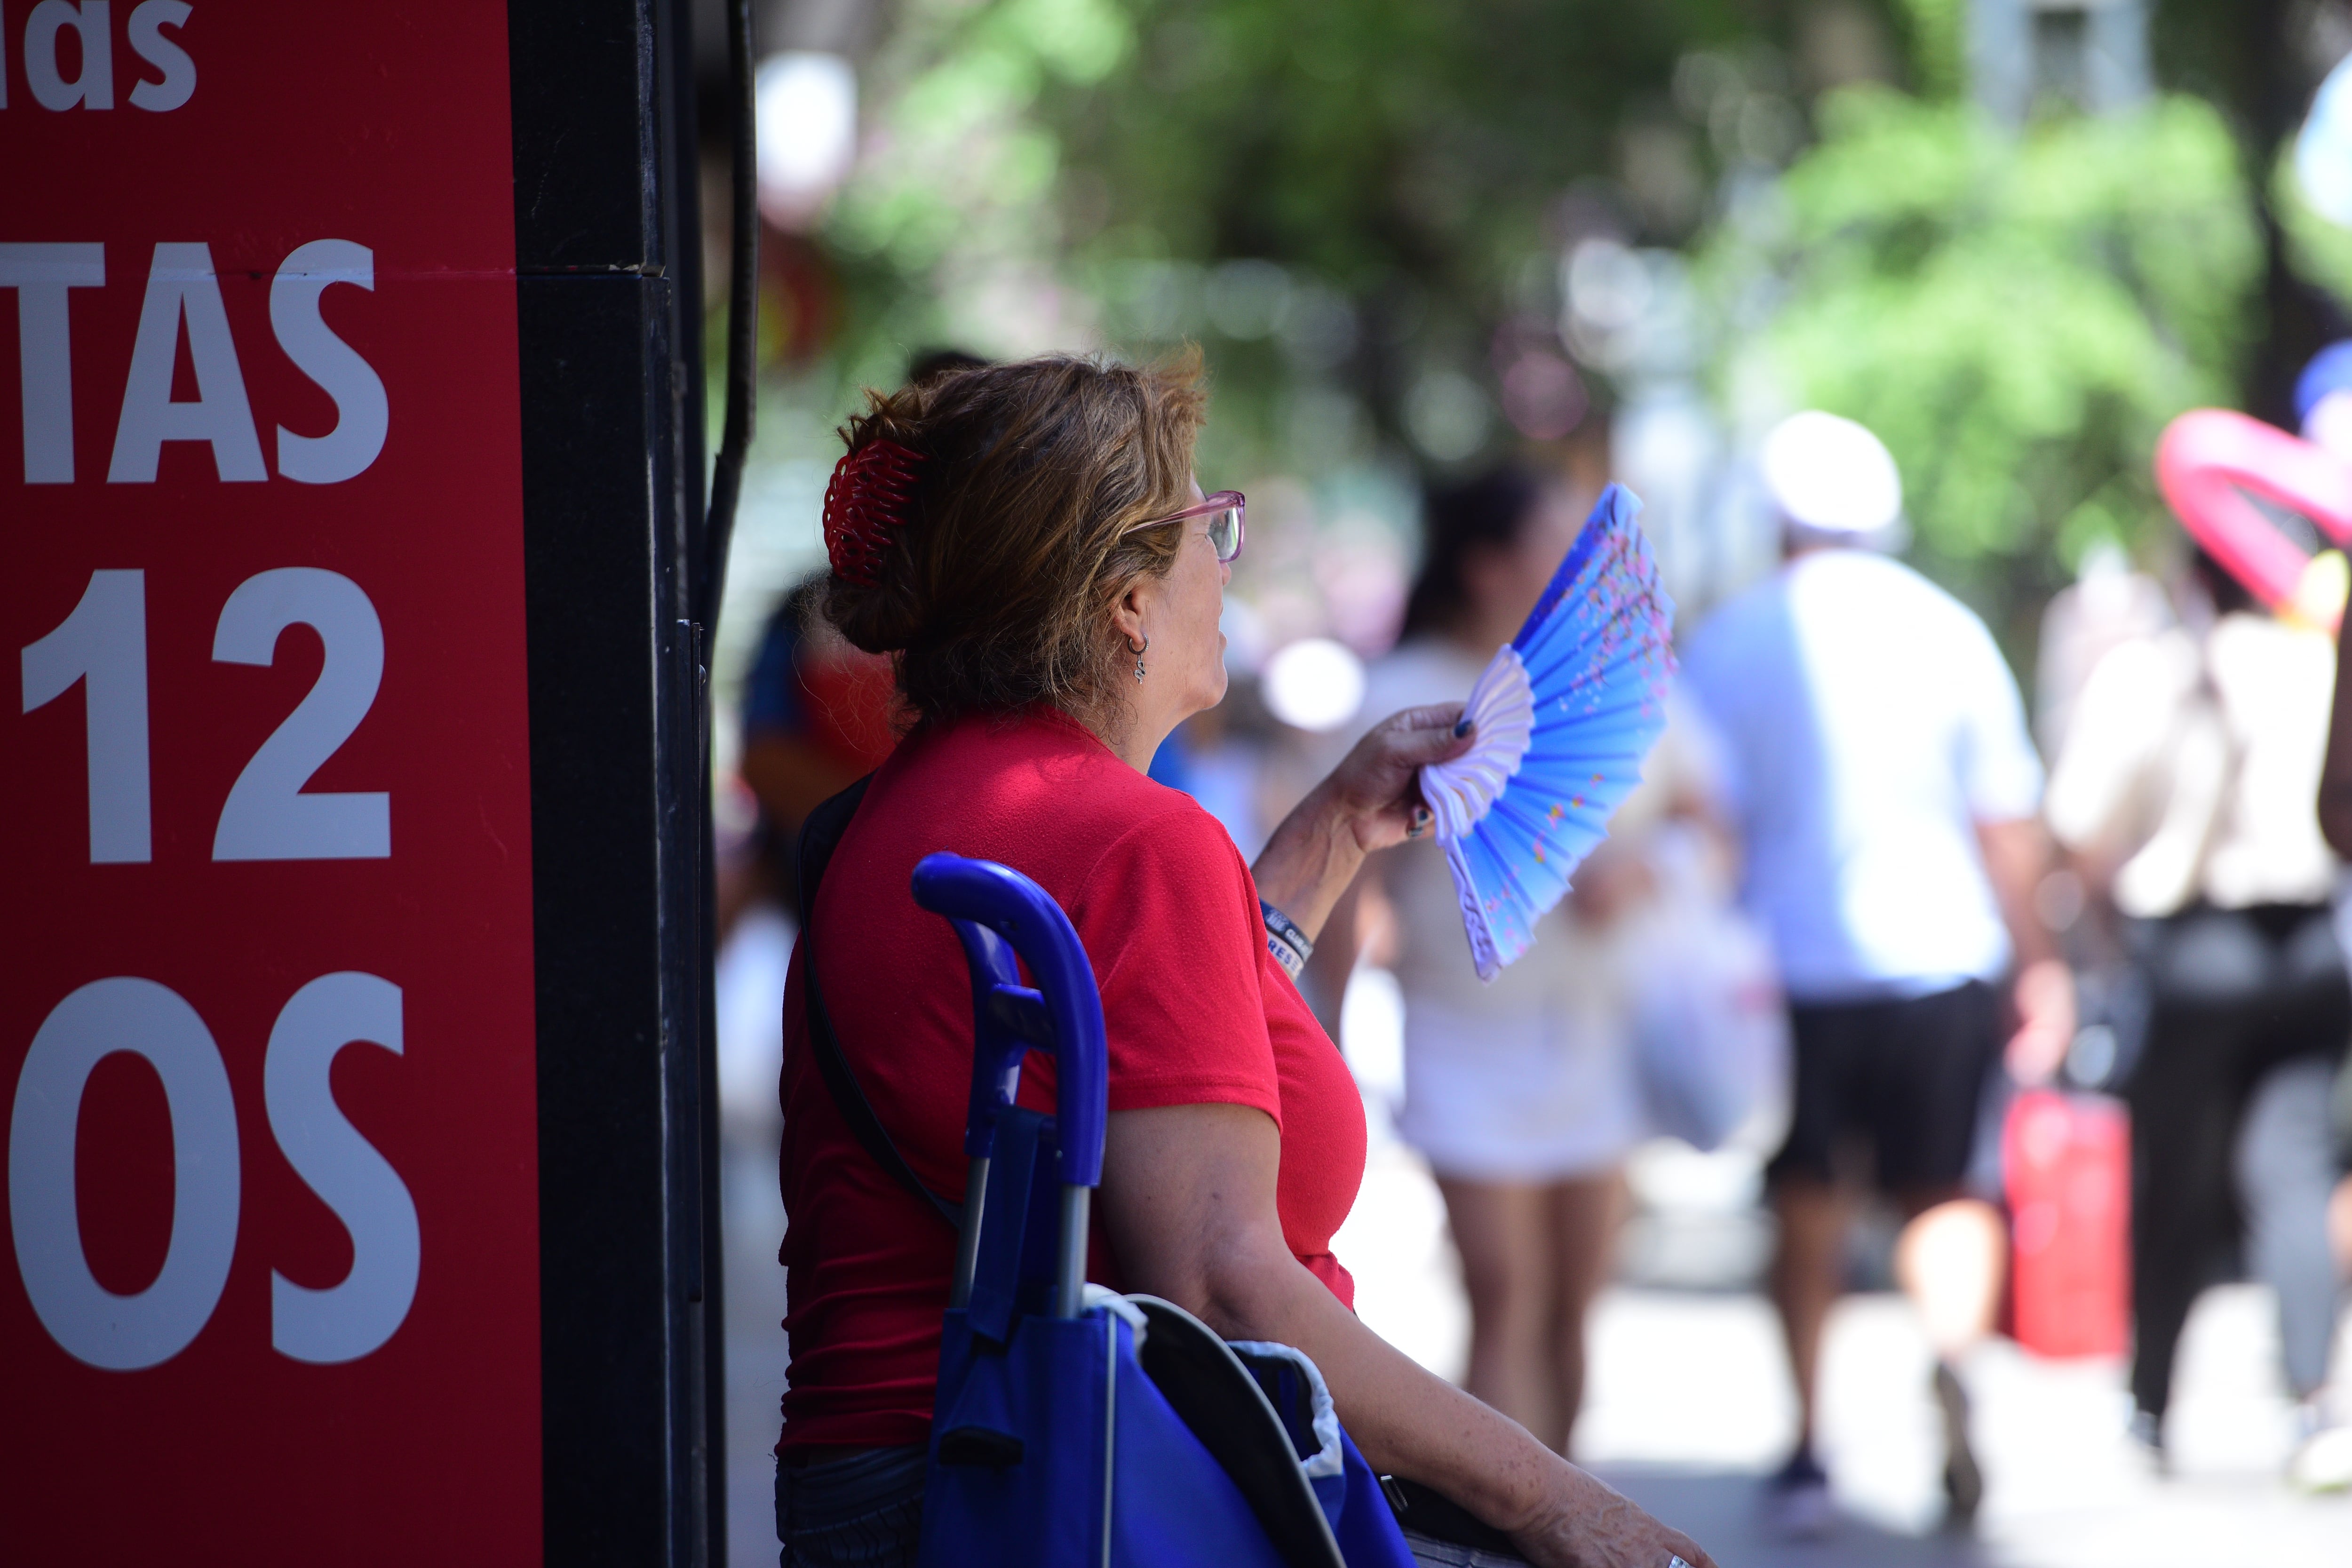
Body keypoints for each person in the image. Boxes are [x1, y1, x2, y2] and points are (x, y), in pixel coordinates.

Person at [772, 355, 1714, 1568]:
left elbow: (1134, 1039)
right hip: (1082, 1494)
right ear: (1123, 597)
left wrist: (1328, 833)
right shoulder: (1134, 841)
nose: (1227, 563)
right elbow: (1221, 1286)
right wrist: (1557, 1501)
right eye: (1208, 527)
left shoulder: (894, 811)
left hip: (920, 1489)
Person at [1681, 411, 2072, 1533]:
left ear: (1773, 518)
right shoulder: (1946, 629)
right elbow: (2006, 822)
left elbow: (1702, 817)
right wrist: (2039, 960)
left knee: (1808, 1197)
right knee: (1946, 1188)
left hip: (1791, 966)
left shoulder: (1730, 640)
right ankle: (1950, 1355)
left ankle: (1808, 1446)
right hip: (1943, 955)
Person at [1313, 465, 1727, 1457]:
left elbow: (1713, 827)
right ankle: (1506, 1523)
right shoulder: (1398, 691)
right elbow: (1336, 874)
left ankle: (1557, 1508)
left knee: (1574, 1302)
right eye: (1553, 546)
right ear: (1487, 567)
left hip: (1600, 1023)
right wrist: (1320, 1029)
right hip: (1461, 1030)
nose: (1578, 569)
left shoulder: (1621, 691)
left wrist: (1650, 867)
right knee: (1502, 1290)